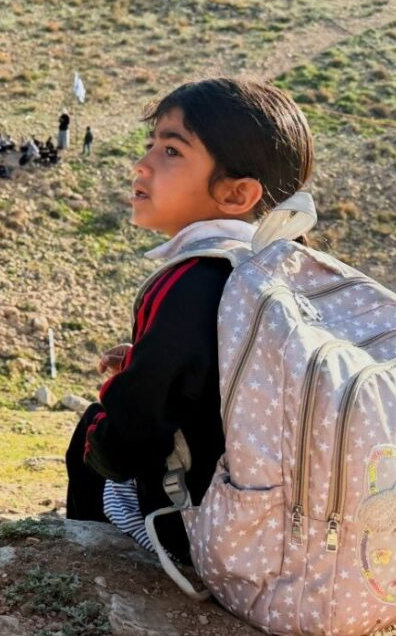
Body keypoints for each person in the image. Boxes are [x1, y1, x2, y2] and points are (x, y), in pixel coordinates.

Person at [63, 78, 314, 563]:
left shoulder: (193, 280)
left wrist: (127, 391)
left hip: (204, 528)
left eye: (172, 151)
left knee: (94, 430)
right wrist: (146, 358)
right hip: (285, 525)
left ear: (237, 193)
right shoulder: (283, 266)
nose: (142, 164)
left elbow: (131, 436)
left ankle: (88, 558)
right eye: (150, 144)